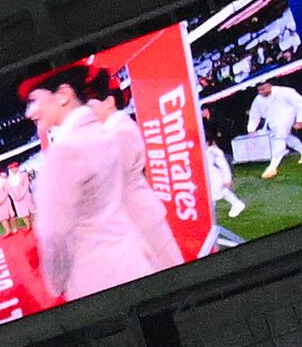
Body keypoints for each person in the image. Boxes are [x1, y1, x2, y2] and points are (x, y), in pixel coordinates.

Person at [15, 61, 190, 310]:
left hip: (99, 276)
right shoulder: (100, 134)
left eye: (35, 100)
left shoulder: (66, 152)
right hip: (132, 257)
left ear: (63, 94)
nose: (30, 112)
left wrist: (55, 284)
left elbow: (53, 235)